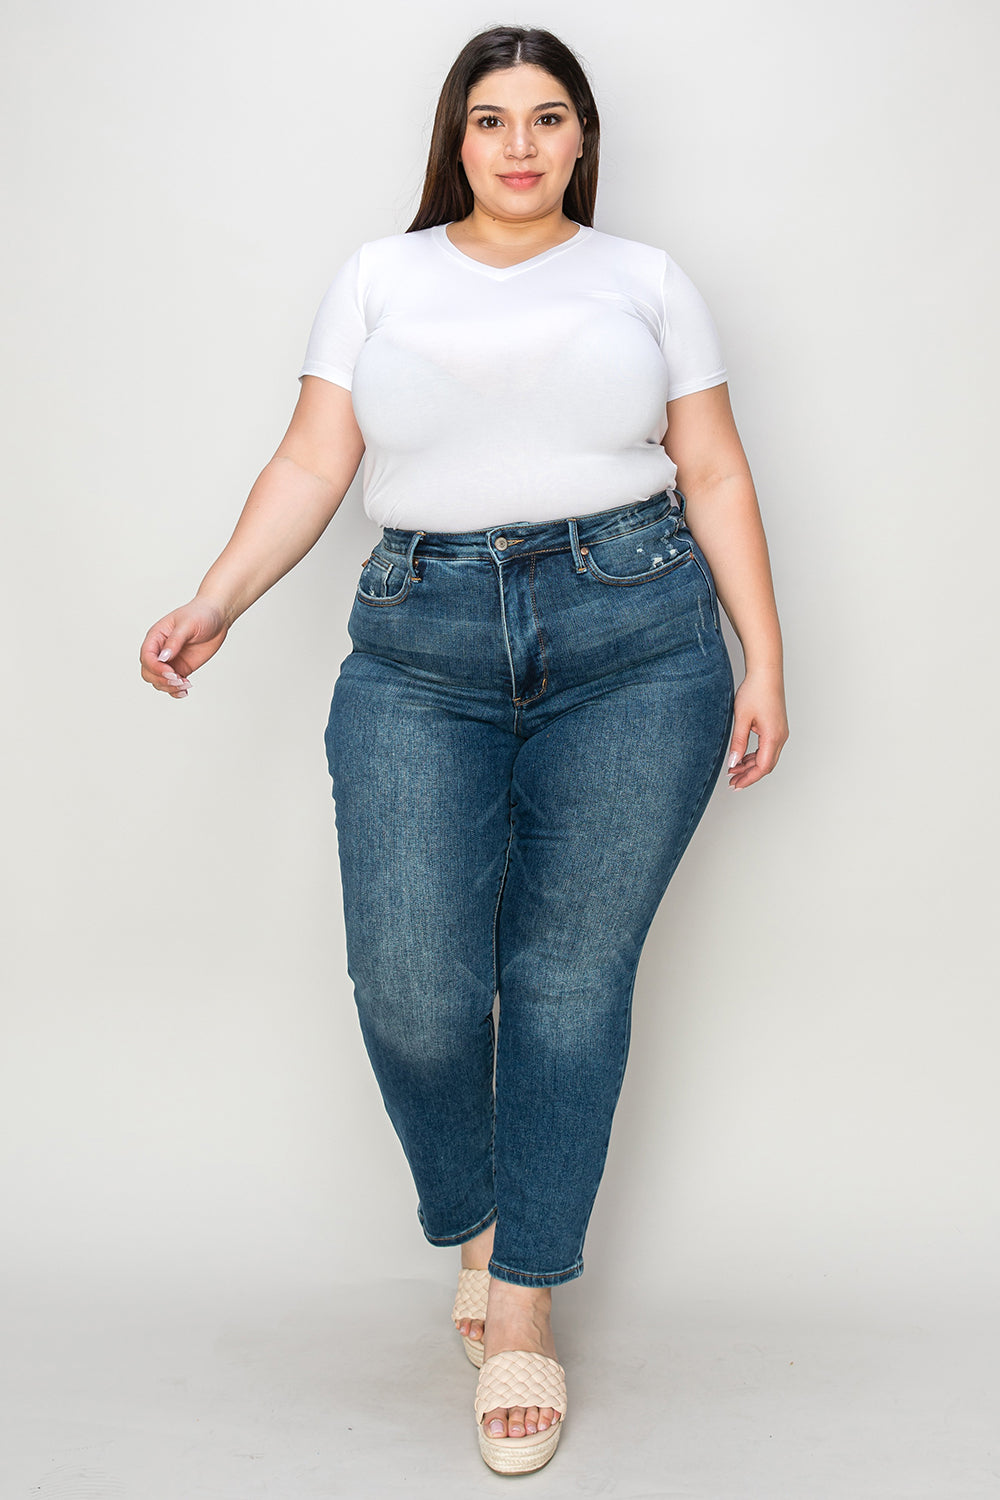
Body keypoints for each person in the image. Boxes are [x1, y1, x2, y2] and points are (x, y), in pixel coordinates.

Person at [139, 24, 788, 1476]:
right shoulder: (381, 276)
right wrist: (219, 597)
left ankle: (523, 1303)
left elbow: (716, 468)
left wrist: (766, 655)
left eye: (546, 118)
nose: (517, 145)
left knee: (566, 978)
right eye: (490, 119)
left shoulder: (647, 281)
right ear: (456, 138)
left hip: (638, 636)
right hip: (418, 643)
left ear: (579, 140)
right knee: (414, 981)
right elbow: (316, 458)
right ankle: (486, 1224)